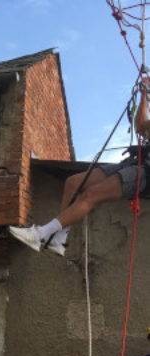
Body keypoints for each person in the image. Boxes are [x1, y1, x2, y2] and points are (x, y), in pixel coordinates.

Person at [9, 78, 150, 256]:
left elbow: (145, 125)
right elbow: (141, 125)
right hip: (137, 162)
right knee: (73, 182)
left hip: (146, 172)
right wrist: (144, 93)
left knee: (91, 195)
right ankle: (59, 239)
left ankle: (41, 234)